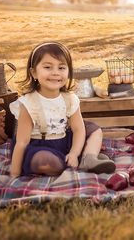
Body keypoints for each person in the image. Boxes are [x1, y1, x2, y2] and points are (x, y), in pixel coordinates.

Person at [9, 41, 116, 177]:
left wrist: (73, 152)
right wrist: (14, 174)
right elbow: (22, 142)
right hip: (38, 147)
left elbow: (78, 129)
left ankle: (88, 159)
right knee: (45, 162)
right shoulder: (29, 104)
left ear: (68, 72)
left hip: (64, 141)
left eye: (61, 68)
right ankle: (66, 163)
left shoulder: (69, 99)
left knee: (94, 130)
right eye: (48, 67)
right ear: (34, 72)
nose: (55, 73)